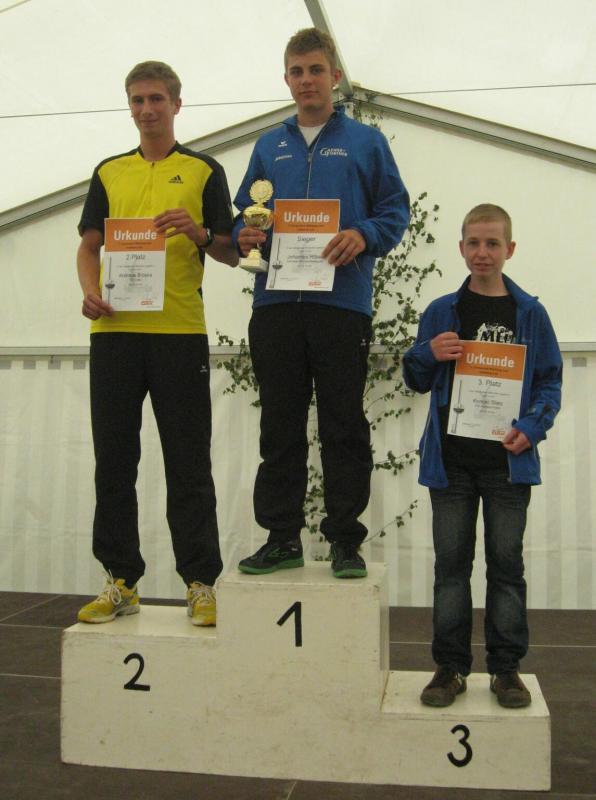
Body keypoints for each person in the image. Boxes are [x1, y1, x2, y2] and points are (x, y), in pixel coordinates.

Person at [233, 28, 410, 579]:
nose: (306, 80)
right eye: (297, 71)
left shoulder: (367, 142)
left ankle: (345, 541)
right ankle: (281, 537)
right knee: (279, 425)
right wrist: (243, 234)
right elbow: (244, 215)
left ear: (334, 76)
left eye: (315, 70)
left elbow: (395, 211)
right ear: (286, 79)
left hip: (341, 304)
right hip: (276, 304)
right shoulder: (269, 146)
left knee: (343, 424)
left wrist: (362, 234)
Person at [76, 61, 237, 626]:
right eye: (138, 100)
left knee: (188, 462)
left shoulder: (203, 170)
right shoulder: (108, 171)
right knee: (114, 461)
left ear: (176, 104)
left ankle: (200, 582)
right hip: (114, 335)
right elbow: (89, 246)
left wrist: (198, 232)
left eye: (156, 99)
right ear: (130, 106)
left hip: (179, 334)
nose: (147, 109)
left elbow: (230, 251)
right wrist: (89, 291)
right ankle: (121, 580)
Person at [403, 203, 562, 708]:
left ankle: (506, 670)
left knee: (506, 567)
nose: (483, 252)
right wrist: (427, 353)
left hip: (507, 467)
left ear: (509, 249)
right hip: (450, 465)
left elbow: (550, 382)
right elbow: (414, 378)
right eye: (474, 242)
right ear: (461, 248)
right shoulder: (441, 312)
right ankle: (449, 668)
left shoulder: (530, 313)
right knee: (450, 569)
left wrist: (531, 428)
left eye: (493, 243)